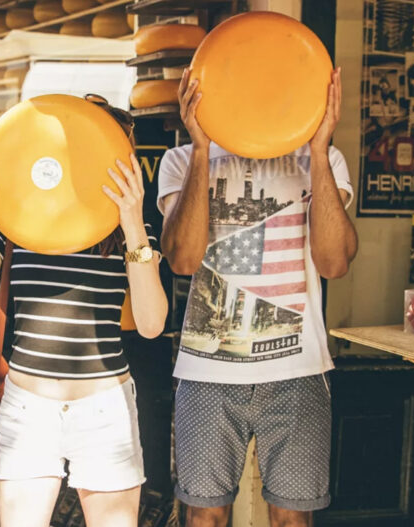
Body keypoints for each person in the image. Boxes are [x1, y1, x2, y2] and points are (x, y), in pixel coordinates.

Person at [0, 95, 168, 527]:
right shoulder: (19, 222)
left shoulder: (128, 230)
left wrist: (134, 223)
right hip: (29, 410)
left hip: (105, 409)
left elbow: (153, 324)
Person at [158, 67, 358, 527]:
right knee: (203, 515)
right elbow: (183, 260)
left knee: (292, 518)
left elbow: (334, 264)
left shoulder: (323, 159)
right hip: (208, 369)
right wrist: (203, 148)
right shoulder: (182, 160)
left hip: (299, 369)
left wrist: (320, 148)